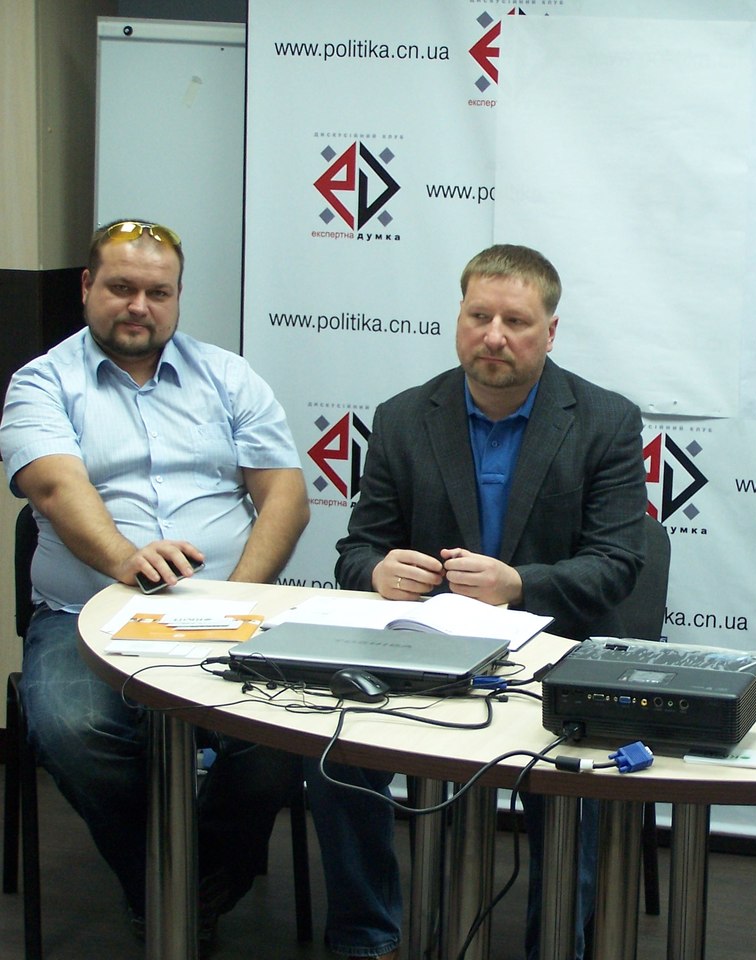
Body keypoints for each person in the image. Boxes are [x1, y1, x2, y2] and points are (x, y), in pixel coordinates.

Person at [315, 243, 647, 960]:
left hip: (558, 654)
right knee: (334, 754)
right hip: (429, 652)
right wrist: (378, 572)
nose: (493, 336)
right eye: (478, 317)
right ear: (459, 319)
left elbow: (617, 565)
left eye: (515, 322)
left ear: (549, 333)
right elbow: (356, 551)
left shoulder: (606, 421)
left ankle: (554, 946)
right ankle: (368, 937)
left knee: (574, 781)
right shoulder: (405, 417)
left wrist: (519, 585)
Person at [0, 219, 311, 946]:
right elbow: (54, 485)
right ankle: (166, 887)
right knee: (74, 729)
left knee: (279, 739)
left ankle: (195, 886)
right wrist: (125, 560)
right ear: (86, 287)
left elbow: (286, 498)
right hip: (84, 614)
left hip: (228, 610)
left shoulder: (228, 376)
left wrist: (238, 599)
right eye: (121, 287)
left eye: (158, 292)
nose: (139, 306)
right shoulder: (42, 381)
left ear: (176, 298)